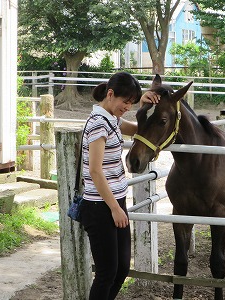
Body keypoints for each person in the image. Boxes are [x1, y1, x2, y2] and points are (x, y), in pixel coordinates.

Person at [80, 71, 159, 300]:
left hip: (116, 201)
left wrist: (145, 107)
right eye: (126, 102)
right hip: (100, 206)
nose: (128, 107)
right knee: (106, 273)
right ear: (111, 94)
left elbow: (136, 129)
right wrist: (114, 208)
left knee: (122, 268)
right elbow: (95, 171)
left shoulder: (112, 119)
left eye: (131, 103)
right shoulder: (97, 124)